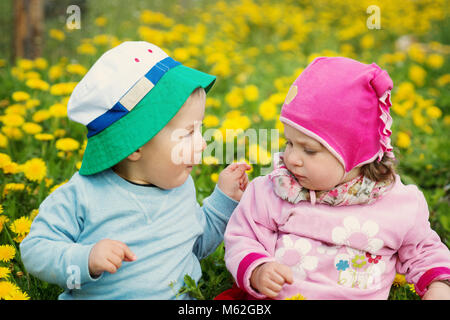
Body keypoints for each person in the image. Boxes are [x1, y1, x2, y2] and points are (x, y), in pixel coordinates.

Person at [20, 41, 250, 299]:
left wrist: (223, 201)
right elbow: (35, 250)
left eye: (200, 129)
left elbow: (193, 245)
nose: (202, 143)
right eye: (188, 133)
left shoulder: (181, 187)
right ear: (134, 145)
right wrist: (85, 259)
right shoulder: (82, 195)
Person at [221, 57, 450, 300]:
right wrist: (258, 269)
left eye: (309, 150)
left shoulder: (399, 206)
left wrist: (439, 286)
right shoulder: (275, 190)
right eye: (289, 143)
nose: (293, 158)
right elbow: (244, 236)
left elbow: (424, 251)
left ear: (356, 154)